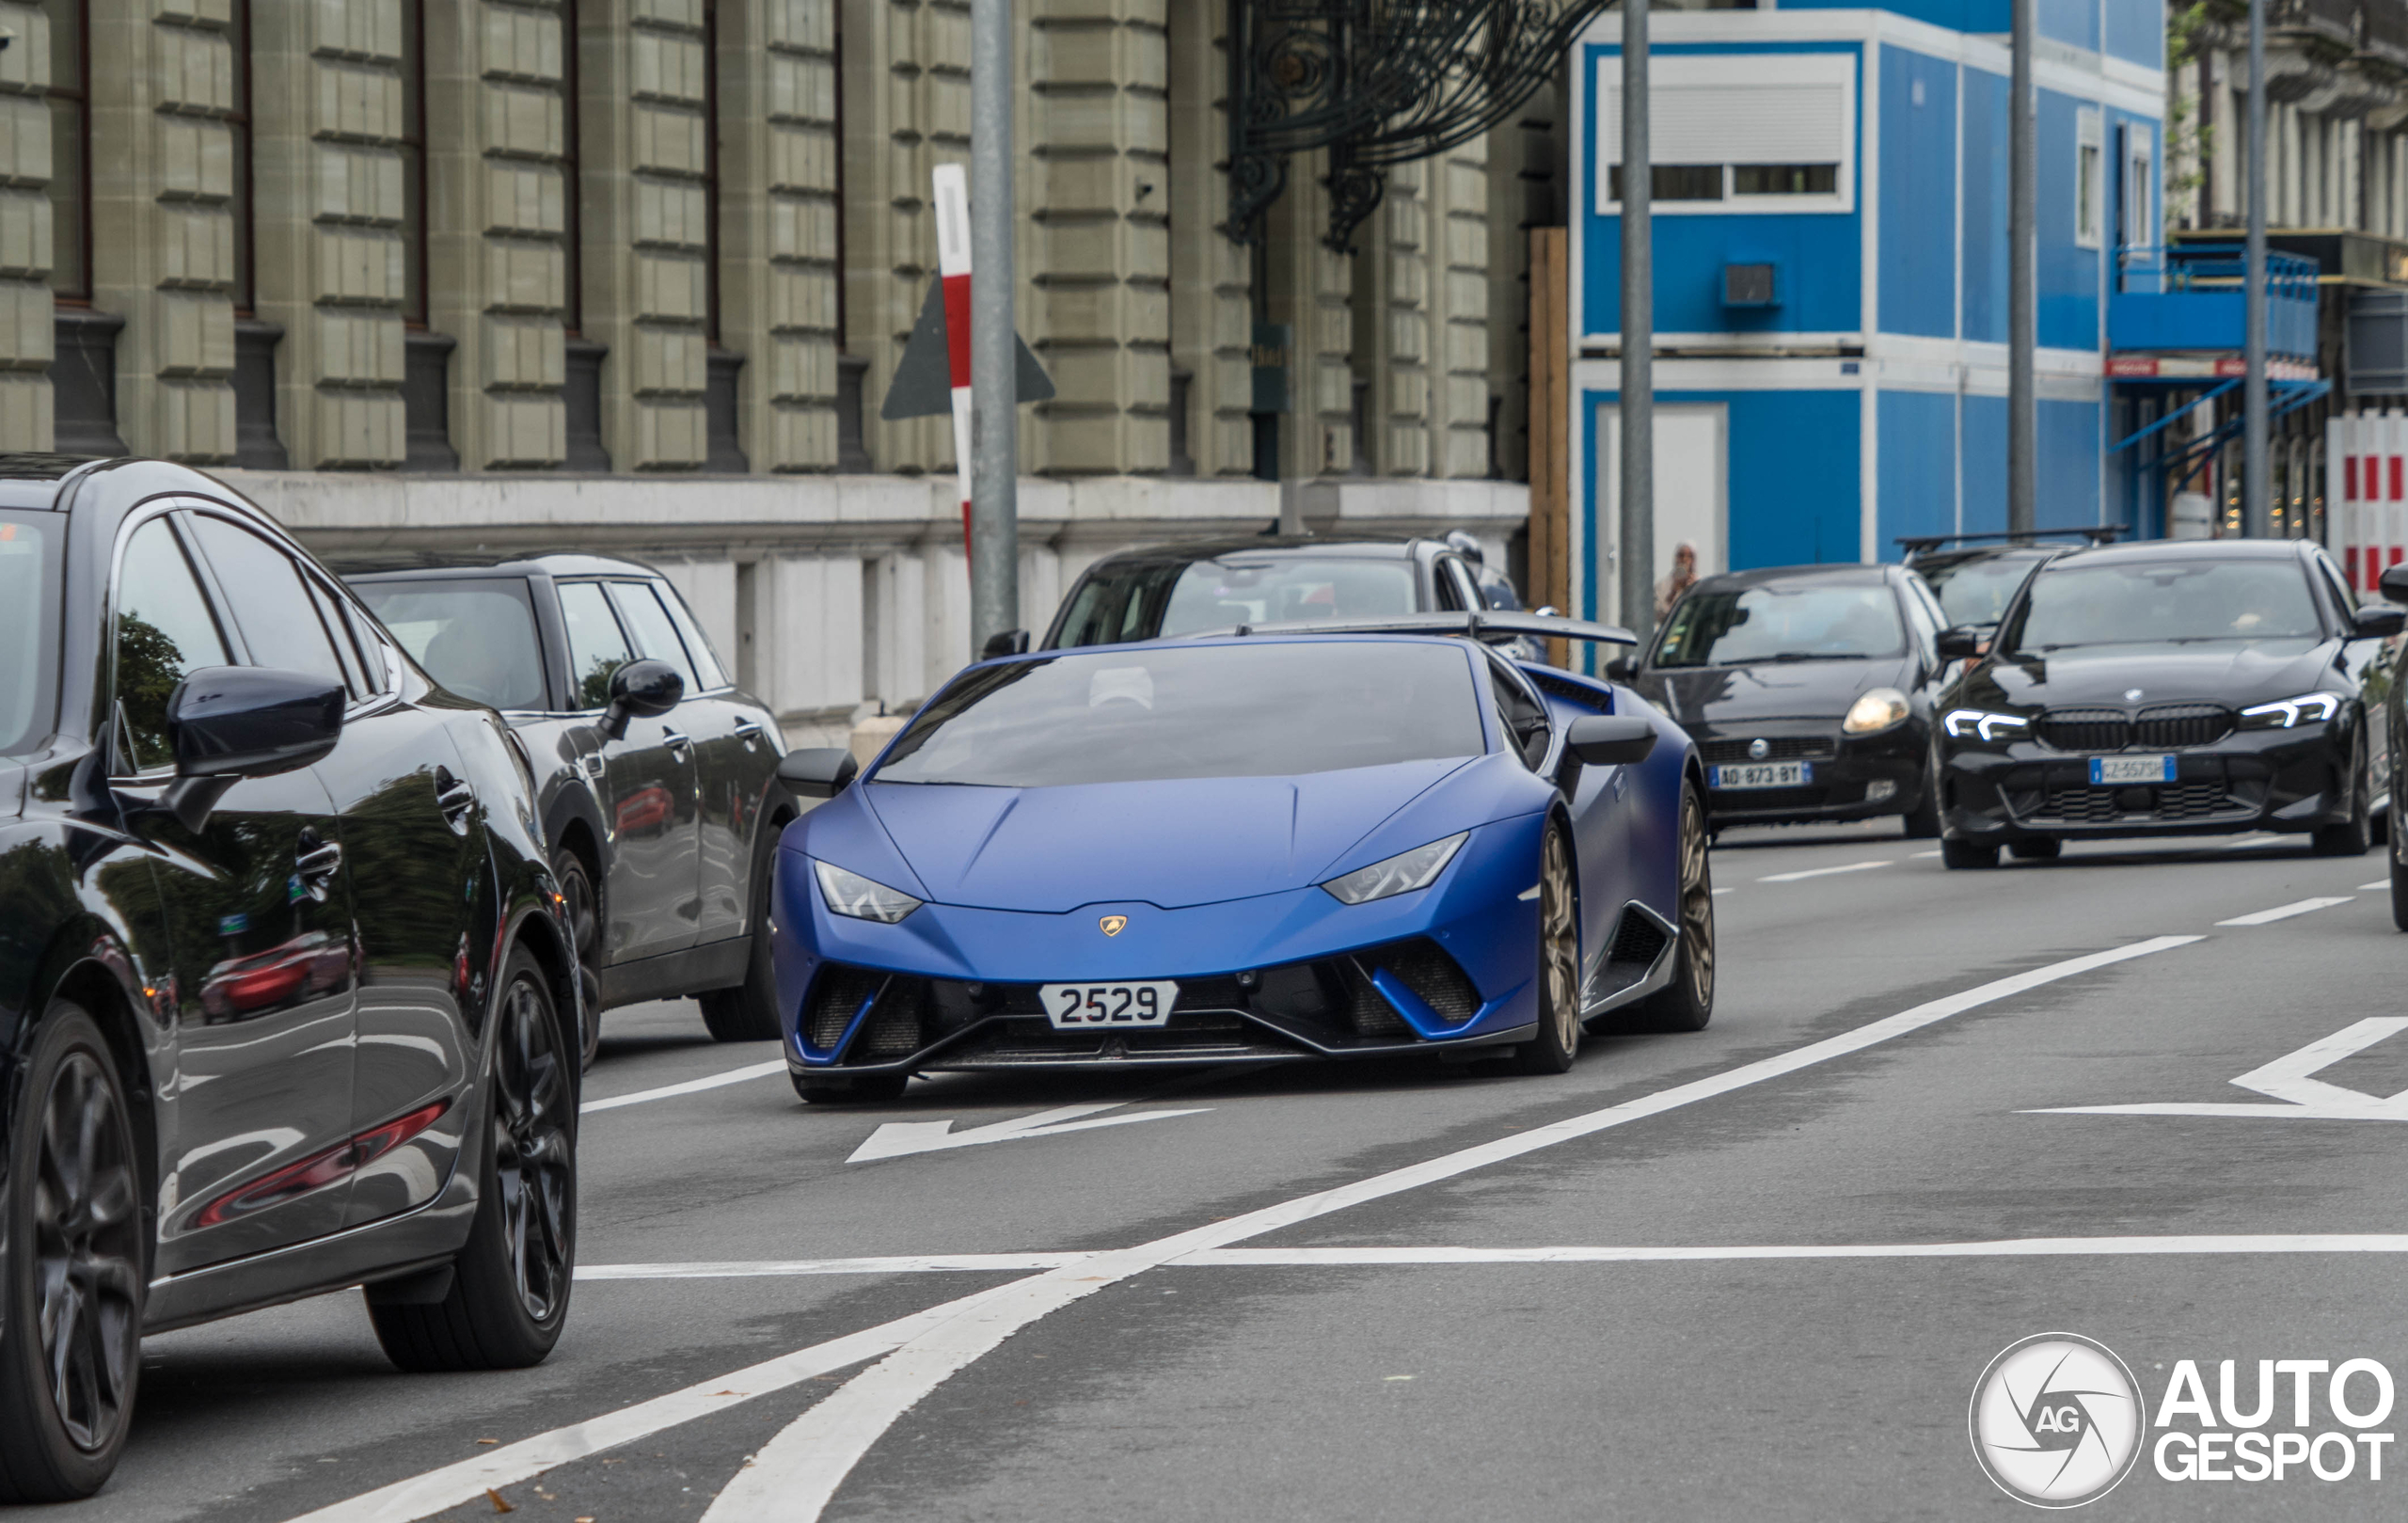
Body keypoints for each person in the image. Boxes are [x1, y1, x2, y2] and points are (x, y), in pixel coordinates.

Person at [1655, 541, 1699, 621]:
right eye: (1681, 556)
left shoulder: (1701, 584)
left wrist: (1694, 588)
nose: (1685, 560)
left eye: (1690, 556)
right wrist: (1673, 592)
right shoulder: (1662, 586)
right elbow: (1658, 615)